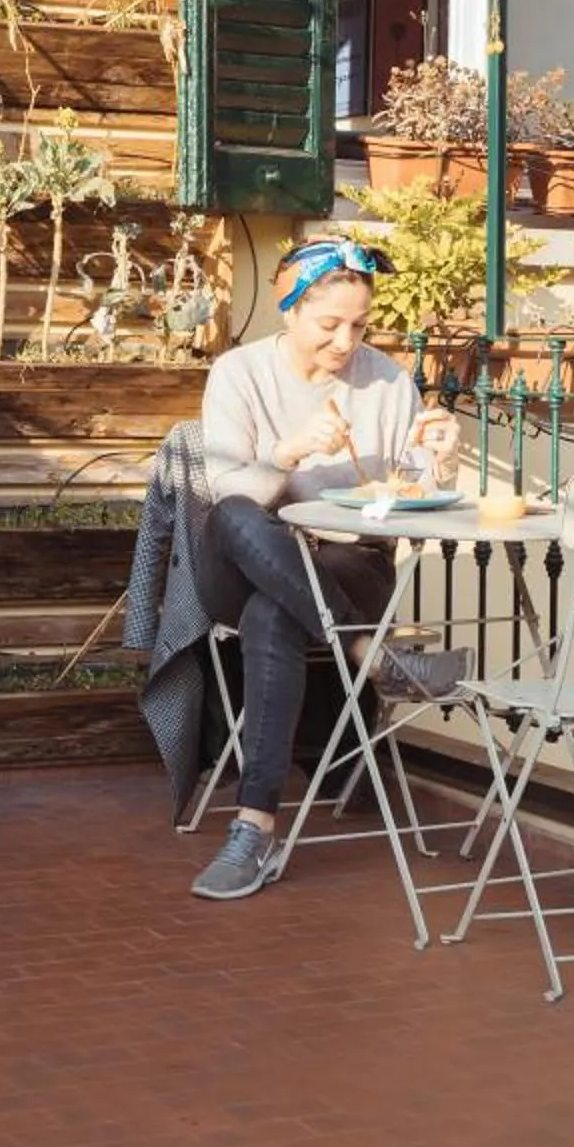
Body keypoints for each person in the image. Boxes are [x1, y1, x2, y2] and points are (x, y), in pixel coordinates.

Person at [187, 237, 462, 901]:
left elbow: (410, 492)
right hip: (247, 558)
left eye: (360, 325)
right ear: (290, 310)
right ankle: (372, 654)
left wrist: (445, 459)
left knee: (275, 610)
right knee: (235, 517)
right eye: (329, 324)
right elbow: (225, 489)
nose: (347, 341)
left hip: (349, 563)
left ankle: (253, 830)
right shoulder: (239, 374)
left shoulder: (387, 381)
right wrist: (285, 455)